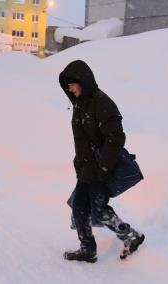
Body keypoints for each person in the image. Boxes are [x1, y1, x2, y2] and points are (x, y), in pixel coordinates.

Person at [59, 60, 144, 263]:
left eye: (72, 84)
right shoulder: (80, 104)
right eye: (67, 85)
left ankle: (131, 236)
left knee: (98, 208)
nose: (69, 89)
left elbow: (115, 137)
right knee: (79, 207)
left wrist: (104, 166)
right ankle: (87, 249)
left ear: (82, 82)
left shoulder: (102, 102)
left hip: (100, 168)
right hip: (86, 168)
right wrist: (79, 162)